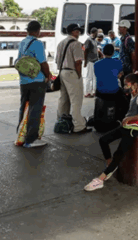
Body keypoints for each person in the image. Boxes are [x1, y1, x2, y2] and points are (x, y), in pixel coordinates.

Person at [84, 73, 138, 191]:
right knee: (103, 140)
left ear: (134, 85)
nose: (125, 87)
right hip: (125, 127)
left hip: (132, 129)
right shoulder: (132, 96)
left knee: (119, 154)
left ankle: (101, 179)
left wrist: (129, 118)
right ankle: (110, 165)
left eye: (126, 85)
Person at [17, 20, 52, 148]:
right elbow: (43, 62)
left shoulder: (23, 42)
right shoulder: (37, 43)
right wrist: (48, 75)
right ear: (38, 31)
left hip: (24, 81)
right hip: (36, 81)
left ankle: (21, 135)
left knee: (24, 108)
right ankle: (30, 140)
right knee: (35, 109)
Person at [56, 23, 91, 134]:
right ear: (73, 32)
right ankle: (79, 126)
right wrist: (79, 75)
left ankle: (62, 122)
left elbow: (57, 60)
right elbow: (78, 62)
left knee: (64, 99)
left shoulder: (61, 43)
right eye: (77, 31)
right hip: (72, 72)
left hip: (62, 72)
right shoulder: (76, 44)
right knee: (76, 100)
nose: (79, 33)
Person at [83, 27, 100, 98]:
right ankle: (87, 92)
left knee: (94, 77)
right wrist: (85, 61)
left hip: (95, 60)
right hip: (90, 61)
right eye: (97, 33)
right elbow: (85, 50)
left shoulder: (94, 40)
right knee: (89, 77)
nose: (98, 34)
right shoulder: (88, 40)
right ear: (94, 32)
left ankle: (93, 91)